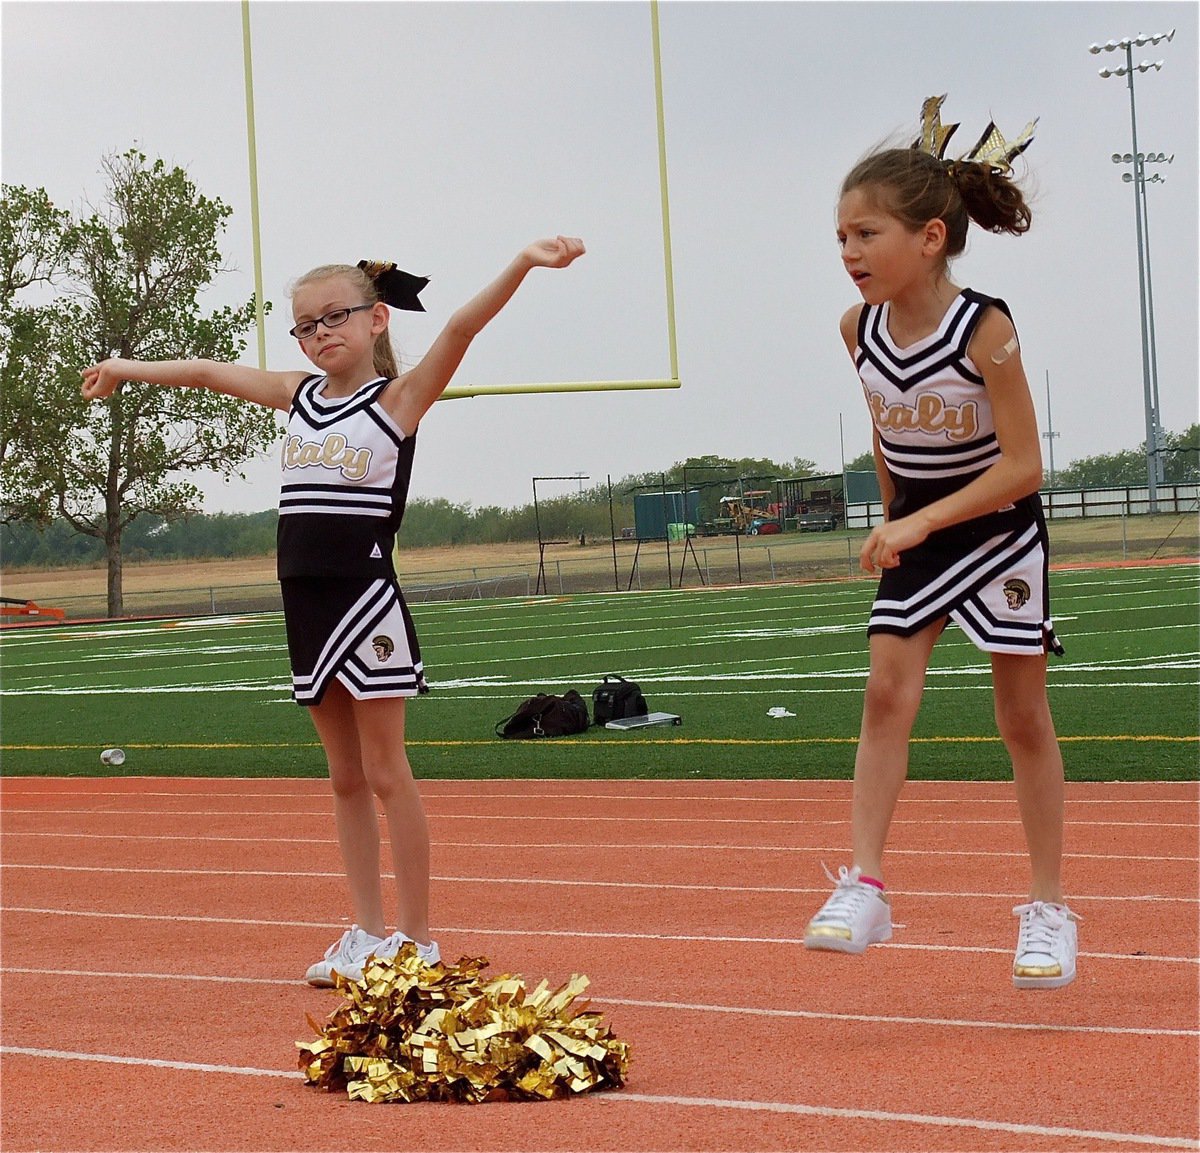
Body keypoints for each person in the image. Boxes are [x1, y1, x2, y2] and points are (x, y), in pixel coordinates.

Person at [82, 236, 586, 985]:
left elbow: (459, 330)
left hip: (364, 601)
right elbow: (206, 373)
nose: (320, 334)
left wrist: (520, 263)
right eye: (306, 325)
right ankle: (364, 931)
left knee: (386, 769)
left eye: (334, 317)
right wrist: (126, 368)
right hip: (305, 601)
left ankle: (415, 938)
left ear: (376, 319)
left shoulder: (397, 400)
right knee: (344, 776)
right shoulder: (299, 395)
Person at [803, 96, 1079, 989]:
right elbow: (888, 436)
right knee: (887, 692)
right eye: (840, 235)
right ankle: (868, 886)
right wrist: (895, 519)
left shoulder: (984, 328)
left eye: (865, 233)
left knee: (1020, 717)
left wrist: (921, 518)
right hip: (917, 529)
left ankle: (1047, 908)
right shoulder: (858, 332)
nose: (848, 252)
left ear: (928, 237)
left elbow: (1026, 467)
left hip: (996, 530)